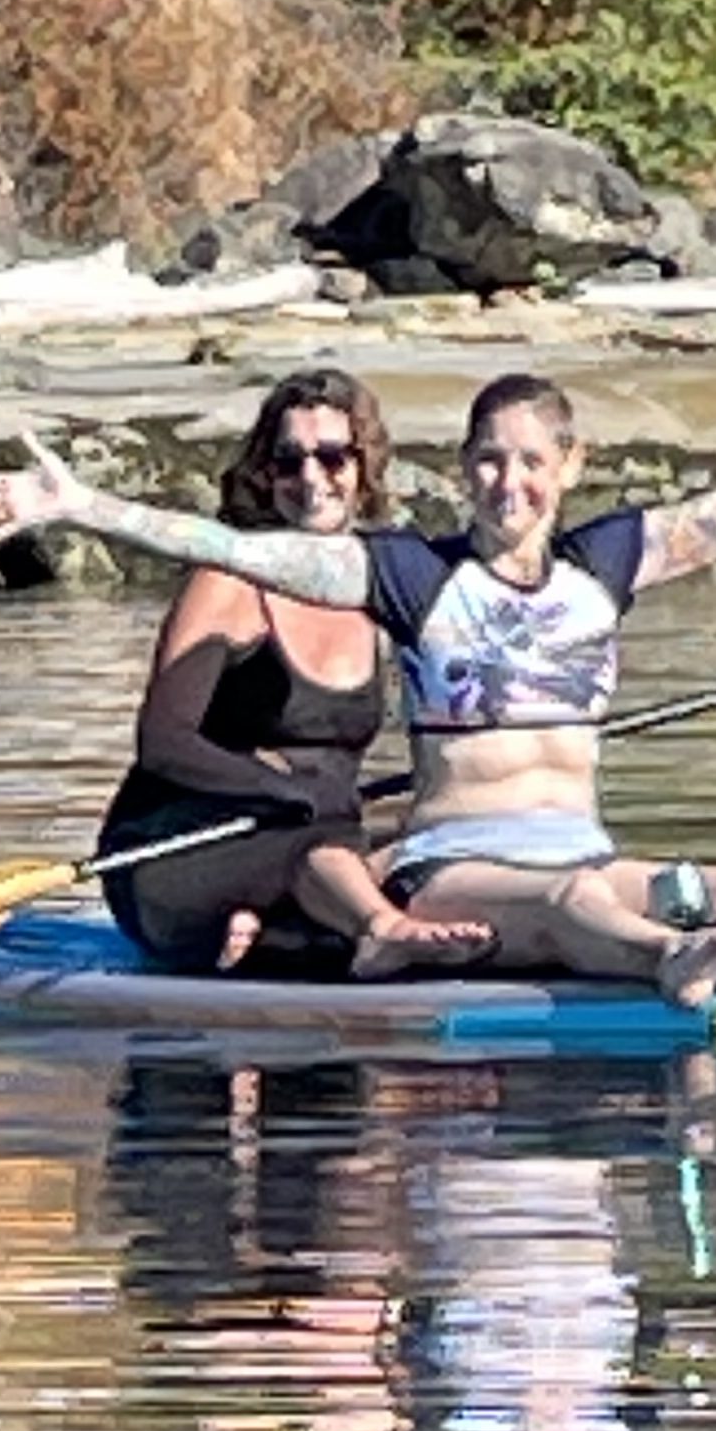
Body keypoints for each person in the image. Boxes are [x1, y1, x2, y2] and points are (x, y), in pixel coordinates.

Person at [0, 338, 716, 1000]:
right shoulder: (410, 575)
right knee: (566, 901)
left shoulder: (610, 562)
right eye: (487, 460)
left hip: (583, 850)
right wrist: (80, 506)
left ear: (569, 469)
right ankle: (682, 962)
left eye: (529, 462)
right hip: (457, 865)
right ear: (463, 470)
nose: (508, 482)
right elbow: (236, 548)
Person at [90, 365, 493, 983]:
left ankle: (277, 936)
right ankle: (381, 932)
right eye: (288, 461)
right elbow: (163, 743)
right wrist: (283, 791)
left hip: (318, 839)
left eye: (332, 457)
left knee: (449, 822)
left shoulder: (379, 588)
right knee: (322, 847)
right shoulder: (227, 582)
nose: (310, 480)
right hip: (180, 849)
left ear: (363, 468)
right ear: (264, 473)